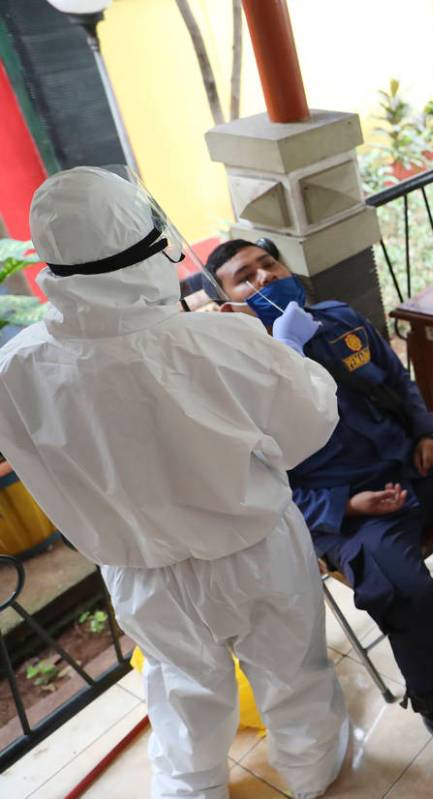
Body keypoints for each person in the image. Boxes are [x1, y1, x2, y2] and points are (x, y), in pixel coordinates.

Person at [0, 167, 349, 799]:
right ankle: (312, 771)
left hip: (140, 571)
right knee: (292, 672)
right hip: (253, 552)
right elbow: (309, 427)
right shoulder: (220, 340)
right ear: (151, 249)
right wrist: (282, 352)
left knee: (182, 686)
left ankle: (193, 786)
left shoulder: (16, 366)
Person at [206, 239, 433, 781]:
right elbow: (256, 481)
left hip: (416, 467)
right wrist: (346, 504)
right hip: (350, 509)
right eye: (244, 277)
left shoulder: (337, 319)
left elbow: (400, 383)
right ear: (228, 302)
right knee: (405, 594)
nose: (263, 278)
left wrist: (428, 432)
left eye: (269, 264)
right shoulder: (234, 374)